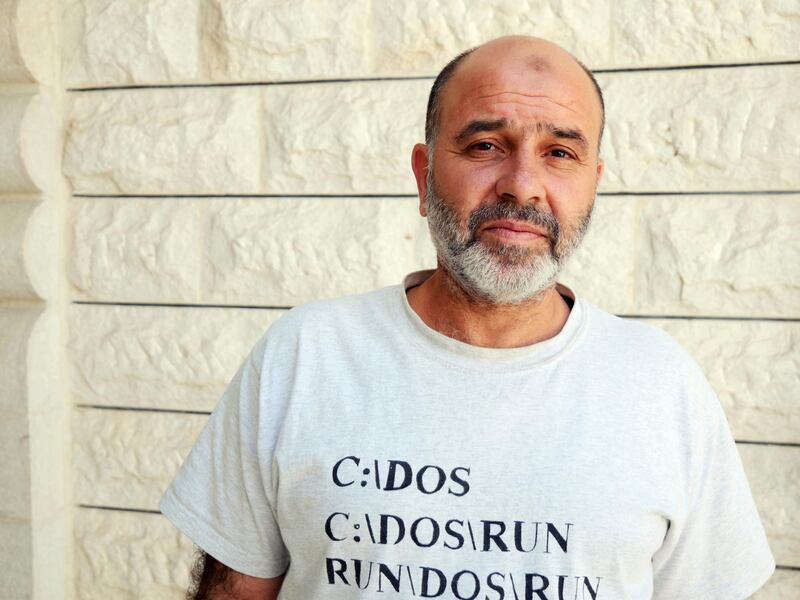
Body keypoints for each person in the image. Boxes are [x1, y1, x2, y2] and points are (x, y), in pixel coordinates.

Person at [159, 35, 775, 600]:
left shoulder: (663, 386)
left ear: (593, 184)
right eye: (485, 145)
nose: (523, 186)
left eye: (560, 152)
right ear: (424, 176)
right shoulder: (304, 355)